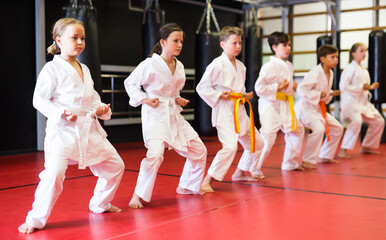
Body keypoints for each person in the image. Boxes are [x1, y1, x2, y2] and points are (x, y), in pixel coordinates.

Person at [18, 18, 125, 234]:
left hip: (88, 130)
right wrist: (60, 113)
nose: (79, 42)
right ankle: (35, 219)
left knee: (115, 166)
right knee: (54, 173)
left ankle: (100, 203)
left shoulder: (84, 68)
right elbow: (39, 99)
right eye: (74, 38)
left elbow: (91, 97)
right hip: (63, 131)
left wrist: (101, 108)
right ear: (59, 40)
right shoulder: (52, 68)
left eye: (83, 38)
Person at [124, 23, 207, 208]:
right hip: (155, 115)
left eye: (181, 42)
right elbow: (130, 84)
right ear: (163, 41)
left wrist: (178, 99)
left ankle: (187, 186)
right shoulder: (150, 64)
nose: (179, 45)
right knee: (155, 155)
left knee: (199, 150)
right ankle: (138, 195)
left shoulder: (180, 66)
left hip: (174, 115)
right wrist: (144, 99)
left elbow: (173, 92)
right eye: (175, 41)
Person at [196, 26, 264, 193]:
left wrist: (244, 95)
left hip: (240, 110)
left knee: (258, 143)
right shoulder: (216, 64)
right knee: (230, 147)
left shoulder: (240, 66)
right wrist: (220, 94)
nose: (238, 46)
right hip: (225, 112)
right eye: (234, 43)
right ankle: (207, 179)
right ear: (222, 44)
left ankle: (240, 172)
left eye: (240, 43)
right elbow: (201, 87)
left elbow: (237, 89)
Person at [254, 31, 305, 178]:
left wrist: (290, 86)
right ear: (274, 47)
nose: (288, 48)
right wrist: (279, 87)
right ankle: (254, 168)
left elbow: (285, 86)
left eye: (289, 45)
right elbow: (259, 88)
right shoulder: (269, 66)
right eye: (284, 45)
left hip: (284, 104)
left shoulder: (289, 65)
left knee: (297, 130)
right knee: (268, 135)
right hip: (270, 104)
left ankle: (290, 163)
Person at [294, 44, 343, 169]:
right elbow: (301, 90)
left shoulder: (330, 73)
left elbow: (323, 92)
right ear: (323, 59)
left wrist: (331, 92)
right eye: (332, 57)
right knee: (319, 129)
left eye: (337, 57)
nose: (336, 60)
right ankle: (307, 160)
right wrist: (318, 94)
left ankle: (325, 155)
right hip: (306, 109)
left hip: (318, 109)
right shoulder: (315, 72)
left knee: (338, 128)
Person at [338, 43, 385, 158]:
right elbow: (343, 86)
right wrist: (361, 88)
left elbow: (363, 87)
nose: (364, 53)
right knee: (356, 122)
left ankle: (367, 146)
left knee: (378, 121)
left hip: (362, 101)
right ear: (353, 54)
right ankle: (343, 150)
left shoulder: (363, 69)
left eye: (365, 51)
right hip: (351, 101)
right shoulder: (350, 68)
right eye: (361, 51)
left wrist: (370, 87)